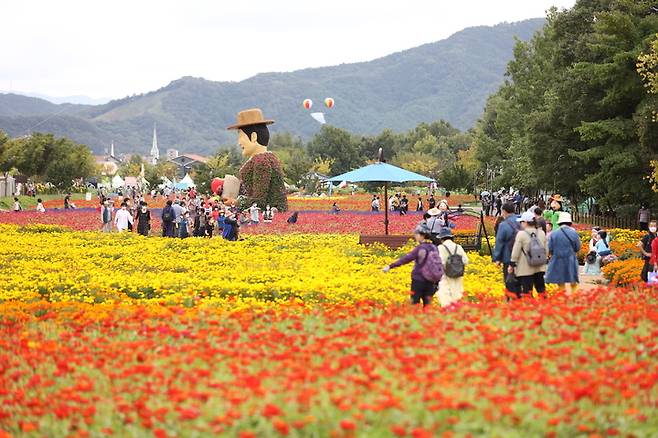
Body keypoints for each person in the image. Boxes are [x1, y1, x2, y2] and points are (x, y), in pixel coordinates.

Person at [383, 224, 443, 307]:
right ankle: (428, 319)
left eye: (416, 234)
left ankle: (416, 319)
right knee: (427, 304)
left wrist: (390, 266)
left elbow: (406, 259)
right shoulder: (434, 247)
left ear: (422, 235)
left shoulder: (420, 248)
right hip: (431, 280)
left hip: (419, 279)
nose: (415, 236)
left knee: (415, 303)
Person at [508, 210, 548, 298]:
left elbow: (516, 251)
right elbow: (546, 250)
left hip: (525, 267)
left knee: (527, 290)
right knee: (541, 288)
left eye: (522, 222)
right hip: (539, 266)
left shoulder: (521, 234)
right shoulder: (541, 233)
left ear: (526, 222)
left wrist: (512, 264)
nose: (521, 224)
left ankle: (530, 308)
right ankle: (545, 306)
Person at [545, 212, 582, 294]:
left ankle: (562, 296)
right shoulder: (574, 233)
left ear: (559, 222)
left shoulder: (554, 233)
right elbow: (578, 247)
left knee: (560, 280)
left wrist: (550, 255)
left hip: (557, 259)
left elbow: (550, 248)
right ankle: (574, 296)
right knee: (573, 280)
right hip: (570, 259)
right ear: (569, 222)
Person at [436, 228, 469, 307]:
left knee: (445, 293)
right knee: (457, 293)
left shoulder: (441, 247)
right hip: (458, 274)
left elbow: (439, 262)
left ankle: (448, 311)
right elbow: (465, 260)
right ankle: (457, 310)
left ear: (442, 238)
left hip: (445, 275)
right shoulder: (458, 247)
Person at [492, 203, 520, 282]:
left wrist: (497, 258)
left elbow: (499, 242)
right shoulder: (521, 221)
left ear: (504, 211)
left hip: (508, 256)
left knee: (509, 280)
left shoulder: (504, 225)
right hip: (522, 255)